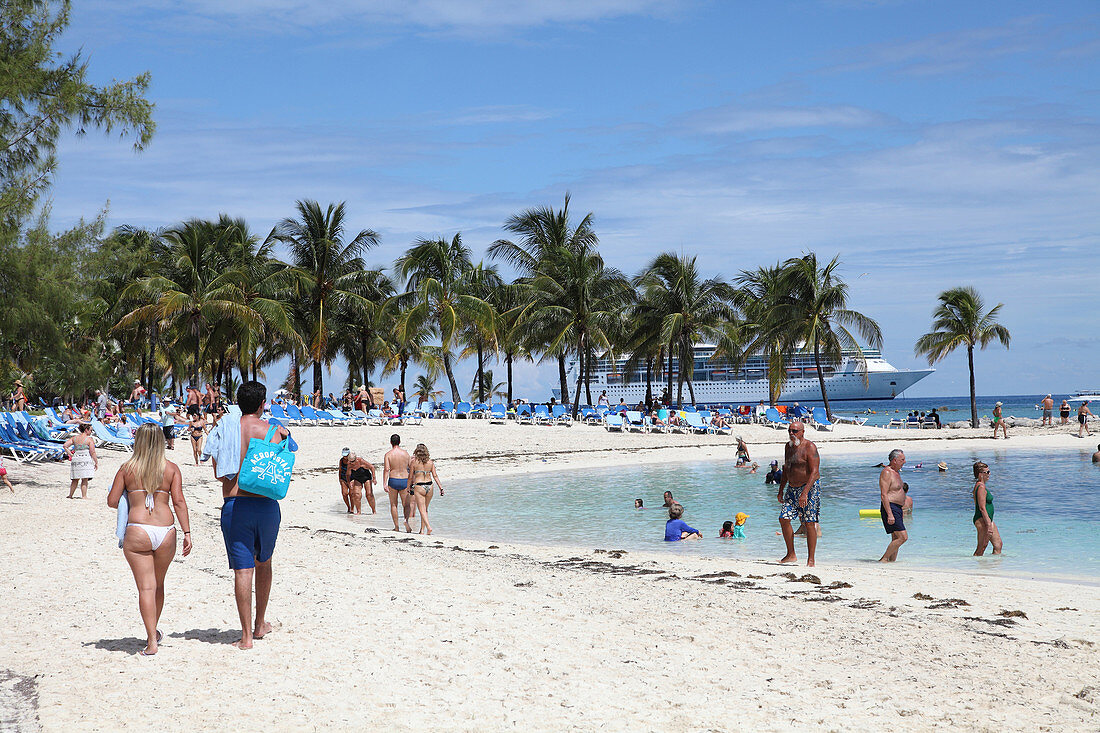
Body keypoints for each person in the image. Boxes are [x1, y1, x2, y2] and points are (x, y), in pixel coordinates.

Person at [201, 380, 292, 650]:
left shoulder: (224, 431)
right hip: (265, 507)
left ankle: (246, 637)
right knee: (264, 561)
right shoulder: (274, 432)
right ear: (263, 404)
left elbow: (219, 473)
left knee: (242, 570)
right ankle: (260, 623)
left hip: (234, 505)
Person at [106, 424, 192, 656]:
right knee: (159, 584)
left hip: (138, 529)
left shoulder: (127, 469)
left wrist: (129, 495)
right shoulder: (172, 468)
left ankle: (152, 641)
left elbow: (112, 501)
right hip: (165, 530)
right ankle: (152, 632)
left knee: (146, 587)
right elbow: (179, 502)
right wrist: (187, 533)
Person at [777, 420, 820, 567]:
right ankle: (791, 554)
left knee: (809, 522)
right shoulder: (788, 447)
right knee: (784, 518)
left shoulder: (810, 447)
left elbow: (815, 473)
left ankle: (811, 559)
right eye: (789, 431)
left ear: (802, 432)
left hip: (809, 488)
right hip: (791, 488)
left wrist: (805, 493)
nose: (791, 433)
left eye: (794, 431)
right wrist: (781, 489)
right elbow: (786, 468)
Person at [878, 449, 908, 563]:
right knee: (903, 537)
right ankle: (884, 559)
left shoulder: (897, 472)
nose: (904, 462)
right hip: (890, 507)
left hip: (897, 508)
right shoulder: (887, 472)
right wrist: (890, 514)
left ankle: (892, 562)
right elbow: (884, 494)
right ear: (895, 460)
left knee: (896, 538)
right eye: (902, 459)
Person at [409, 443, 443, 535]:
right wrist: (441, 487)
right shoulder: (430, 462)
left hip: (419, 486)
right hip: (430, 485)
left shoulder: (414, 462)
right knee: (425, 509)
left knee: (422, 509)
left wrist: (409, 487)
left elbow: (410, 476)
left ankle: (428, 527)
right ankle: (422, 530)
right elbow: (435, 476)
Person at [383, 434, 413, 532]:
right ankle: (406, 520)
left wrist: (384, 483)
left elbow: (387, 469)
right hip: (404, 480)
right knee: (406, 504)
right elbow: (410, 468)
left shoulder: (388, 454)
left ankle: (396, 527)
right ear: (399, 442)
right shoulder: (406, 454)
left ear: (391, 442)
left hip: (393, 480)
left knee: (393, 504)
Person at [972, 461, 1002, 556]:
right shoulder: (980, 487)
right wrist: (988, 523)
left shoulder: (982, 486)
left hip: (987, 519)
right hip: (982, 520)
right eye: (987, 472)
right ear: (981, 474)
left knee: (998, 545)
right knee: (981, 548)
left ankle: (991, 568)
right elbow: (982, 507)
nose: (989, 474)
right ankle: (976, 568)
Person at [63, 423, 98, 499]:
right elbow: (92, 452)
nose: (91, 432)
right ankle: (84, 496)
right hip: (85, 458)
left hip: (76, 458)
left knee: (75, 479)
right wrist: (96, 462)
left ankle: (70, 495)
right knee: (84, 478)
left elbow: (65, 445)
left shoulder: (74, 438)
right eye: (91, 430)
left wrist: (71, 455)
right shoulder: (89, 440)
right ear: (86, 430)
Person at [347, 450, 376, 515]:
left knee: (369, 494)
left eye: (353, 461)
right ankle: (358, 511)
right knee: (356, 494)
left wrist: (374, 478)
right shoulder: (349, 464)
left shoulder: (360, 461)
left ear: (355, 459)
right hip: (357, 478)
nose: (352, 463)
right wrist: (349, 482)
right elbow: (348, 474)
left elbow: (372, 467)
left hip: (366, 477)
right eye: (350, 461)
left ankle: (374, 511)